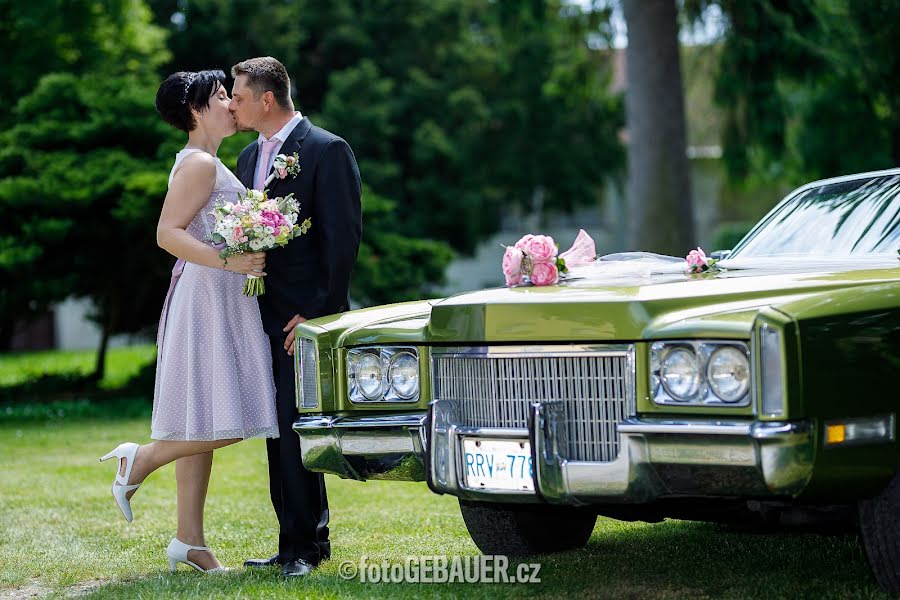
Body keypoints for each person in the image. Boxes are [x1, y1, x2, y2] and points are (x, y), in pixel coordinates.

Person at [99, 69, 278, 573]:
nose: (231, 103)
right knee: (233, 419)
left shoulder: (208, 162)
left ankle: (189, 541)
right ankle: (144, 459)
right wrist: (232, 261)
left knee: (201, 413)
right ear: (197, 111)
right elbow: (166, 233)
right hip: (207, 297)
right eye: (221, 96)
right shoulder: (199, 163)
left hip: (218, 295)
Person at [228, 56, 362, 578]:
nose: (232, 105)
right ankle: (292, 542)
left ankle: (308, 544)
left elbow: (343, 237)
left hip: (300, 320)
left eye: (238, 96)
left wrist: (318, 315)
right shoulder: (245, 159)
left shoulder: (327, 150)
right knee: (276, 431)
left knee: (296, 428)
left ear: (266, 98)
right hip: (256, 314)